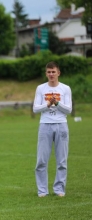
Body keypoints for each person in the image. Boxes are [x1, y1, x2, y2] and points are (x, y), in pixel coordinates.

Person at [33, 61, 72, 197]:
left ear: (58, 73)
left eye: (53, 72)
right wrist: (48, 104)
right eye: (48, 72)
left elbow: (68, 109)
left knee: (62, 160)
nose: (51, 74)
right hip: (45, 125)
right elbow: (35, 108)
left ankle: (59, 189)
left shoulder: (65, 88)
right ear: (46, 73)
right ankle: (42, 190)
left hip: (61, 125)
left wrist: (57, 103)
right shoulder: (40, 88)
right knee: (41, 161)